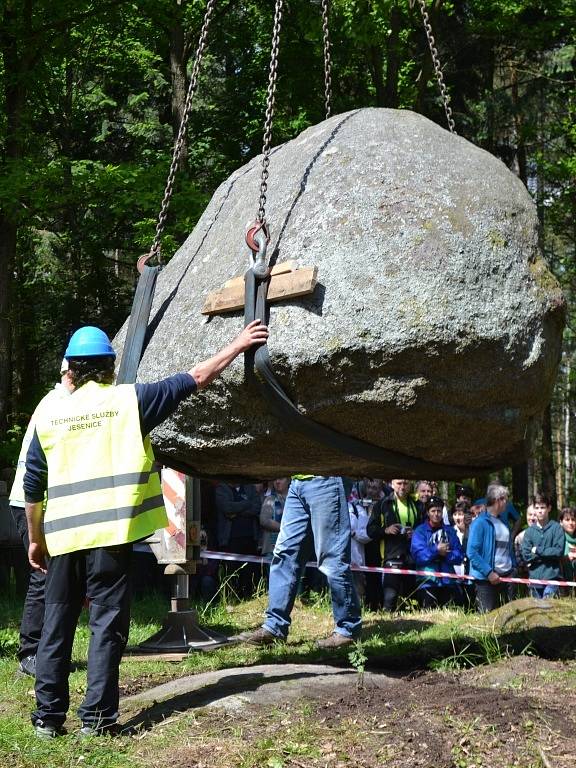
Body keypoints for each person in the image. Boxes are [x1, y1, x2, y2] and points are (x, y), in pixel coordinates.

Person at [23, 319, 268, 739]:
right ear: (108, 368)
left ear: (71, 368)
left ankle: (47, 718)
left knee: (56, 625)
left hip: (62, 540)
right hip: (111, 540)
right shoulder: (128, 402)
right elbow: (196, 378)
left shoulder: (51, 414)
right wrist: (239, 342)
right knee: (106, 627)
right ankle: (96, 721)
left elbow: (32, 486)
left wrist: (35, 539)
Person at [240, 475, 362, 649]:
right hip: (297, 481)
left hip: (326, 477)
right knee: (284, 555)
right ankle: (274, 627)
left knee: (332, 557)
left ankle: (348, 629)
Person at [8, 358, 71, 678]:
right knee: (43, 574)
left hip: (36, 501)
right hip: (31, 502)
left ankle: (44, 649)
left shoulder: (55, 400)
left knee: (52, 574)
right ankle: (30, 653)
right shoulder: (60, 404)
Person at [366, 479, 422, 612]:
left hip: (412, 555)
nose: (402, 487)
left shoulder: (417, 504)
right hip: (391, 555)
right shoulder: (383, 504)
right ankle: (388, 622)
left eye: (406, 483)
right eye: (399, 483)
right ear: (392, 484)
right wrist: (385, 530)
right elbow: (370, 530)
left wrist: (416, 533)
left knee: (411, 598)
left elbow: (424, 528)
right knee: (390, 597)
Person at [466, 483, 515, 613]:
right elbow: (472, 552)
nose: (507, 503)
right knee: (487, 620)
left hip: (506, 577)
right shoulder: (479, 523)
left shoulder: (502, 522)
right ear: (498, 500)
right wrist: (489, 573)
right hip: (486, 580)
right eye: (506, 499)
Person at [410, 496, 464, 608]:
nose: (436, 514)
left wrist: (447, 554)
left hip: (448, 581)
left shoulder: (450, 531)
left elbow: (459, 556)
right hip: (427, 581)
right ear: (428, 513)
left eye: (439, 511)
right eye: (433, 511)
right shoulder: (420, 531)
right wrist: (436, 550)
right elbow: (418, 556)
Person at [215, 482, 262, 599]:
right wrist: (247, 503)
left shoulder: (249, 487)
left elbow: (257, 507)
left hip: (251, 539)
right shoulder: (222, 489)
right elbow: (226, 507)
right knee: (231, 572)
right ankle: (231, 599)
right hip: (230, 540)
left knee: (249, 572)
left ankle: (249, 598)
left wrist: (236, 511)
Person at [521, 492, 564, 599]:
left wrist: (537, 550)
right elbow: (526, 556)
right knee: (538, 611)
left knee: (547, 605)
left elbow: (558, 552)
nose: (539, 511)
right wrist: (547, 555)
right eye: (537, 507)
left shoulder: (556, 528)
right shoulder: (529, 532)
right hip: (535, 578)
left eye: (543, 507)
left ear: (549, 508)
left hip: (552, 577)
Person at [260, 477, 289, 560]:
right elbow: (264, 521)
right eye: (275, 479)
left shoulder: (296, 500)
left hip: (292, 547)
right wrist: (288, 529)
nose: (277, 481)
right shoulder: (270, 499)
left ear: (289, 480)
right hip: (272, 548)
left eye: (281, 479)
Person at [559, 507, 576, 595]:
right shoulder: (557, 538)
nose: (571, 523)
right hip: (562, 585)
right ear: (561, 522)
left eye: (573, 519)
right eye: (567, 519)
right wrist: (566, 557)